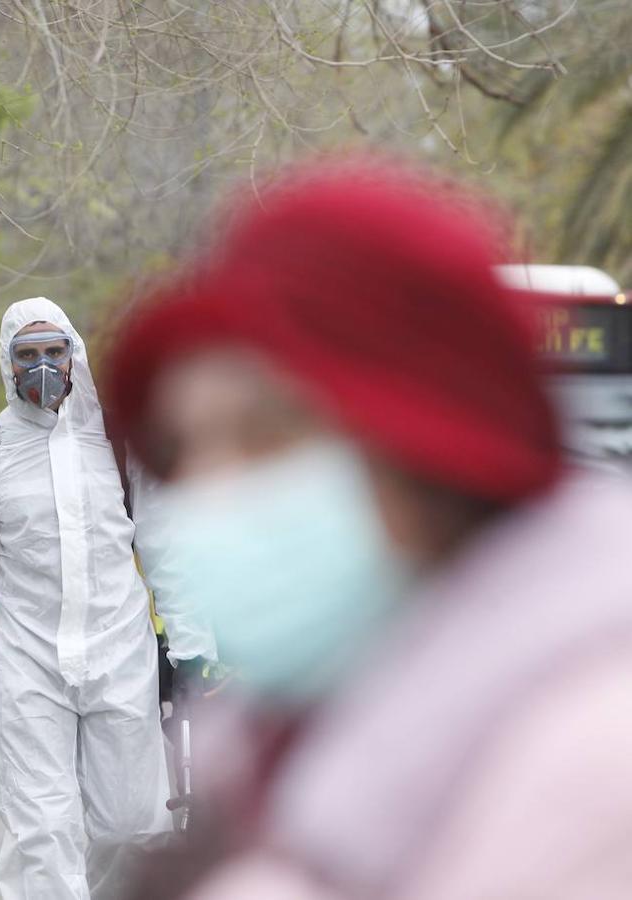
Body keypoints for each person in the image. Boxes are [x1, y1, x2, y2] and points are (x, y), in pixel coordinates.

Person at [107, 159, 632, 898]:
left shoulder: (594, 772)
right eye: (180, 451)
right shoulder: (271, 758)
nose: (207, 492)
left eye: (268, 435)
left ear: (435, 451)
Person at [0, 296, 212, 899]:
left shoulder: (123, 447)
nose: (43, 366)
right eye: (28, 355)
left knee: (132, 827)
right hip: (27, 666)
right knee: (43, 830)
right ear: (8, 364)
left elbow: (169, 551)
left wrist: (190, 651)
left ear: (75, 357)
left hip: (120, 657)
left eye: (55, 351)